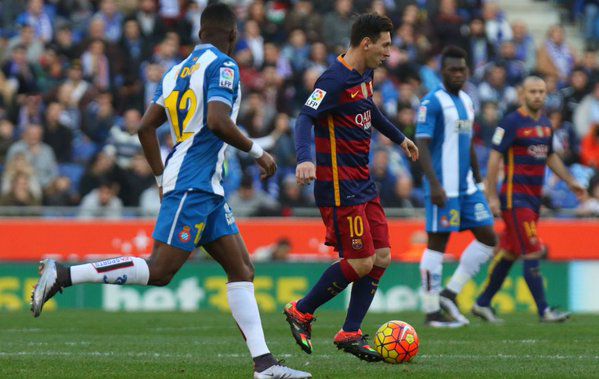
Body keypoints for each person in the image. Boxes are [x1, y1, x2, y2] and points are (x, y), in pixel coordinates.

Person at [30, 4, 310, 379]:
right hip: (194, 178)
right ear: (233, 34)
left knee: (241, 268)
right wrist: (258, 152)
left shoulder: (176, 70)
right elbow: (217, 120)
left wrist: (161, 179)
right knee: (160, 270)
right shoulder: (224, 65)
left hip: (201, 183)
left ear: (199, 33)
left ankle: (264, 365)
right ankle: (63, 274)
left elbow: (146, 127)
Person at [286, 13, 419, 362]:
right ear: (366, 43)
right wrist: (304, 158)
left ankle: (350, 332)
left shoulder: (365, 74)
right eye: (386, 45)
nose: (390, 52)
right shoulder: (332, 79)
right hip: (339, 186)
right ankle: (301, 310)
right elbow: (304, 117)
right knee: (360, 262)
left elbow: (369, 110)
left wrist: (399, 137)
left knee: (382, 256)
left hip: (363, 182)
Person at [473, 76, 586, 323]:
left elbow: (551, 156)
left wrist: (570, 181)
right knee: (533, 250)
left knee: (512, 252)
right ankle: (544, 310)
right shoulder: (512, 122)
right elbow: (494, 159)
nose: (537, 95)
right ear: (523, 94)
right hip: (515, 199)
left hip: (534, 201)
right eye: (533, 91)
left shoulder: (545, 125)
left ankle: (482, 303)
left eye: (541, 92)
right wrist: (491, 195)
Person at [416, 46, 497, 328]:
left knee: (489, 237)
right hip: (444, 189)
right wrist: (434, 183)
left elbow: (467, 142)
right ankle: (431, 312)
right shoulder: (432, 102)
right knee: (438, 245)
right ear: (443, 71)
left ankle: (450, 294)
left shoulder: (467, 100)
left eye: (462, 69)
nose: (458, 74)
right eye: (453, 69)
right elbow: (421, 145)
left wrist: (477, 176)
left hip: (467, 188)